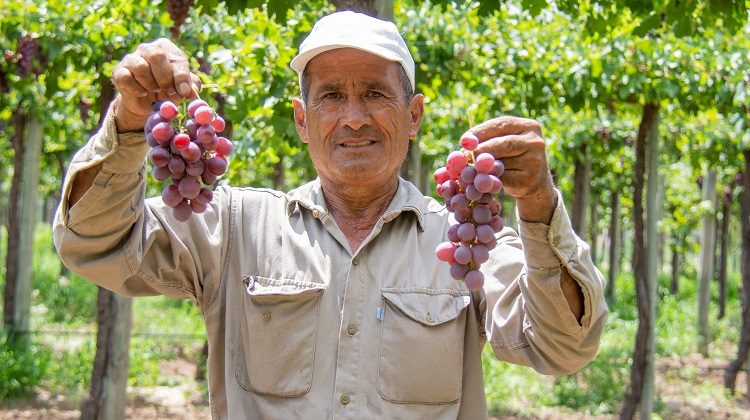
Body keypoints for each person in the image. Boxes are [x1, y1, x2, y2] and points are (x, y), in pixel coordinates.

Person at [54, 10, 607, 419]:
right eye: (331, 96)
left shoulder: (468, 243)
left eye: (375, 94)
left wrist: (538, 205)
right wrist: (128, 123)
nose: (354, 118)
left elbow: (561, 346)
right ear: (301, 119)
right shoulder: (233, 229)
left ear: (413, 115)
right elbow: (97, 243)